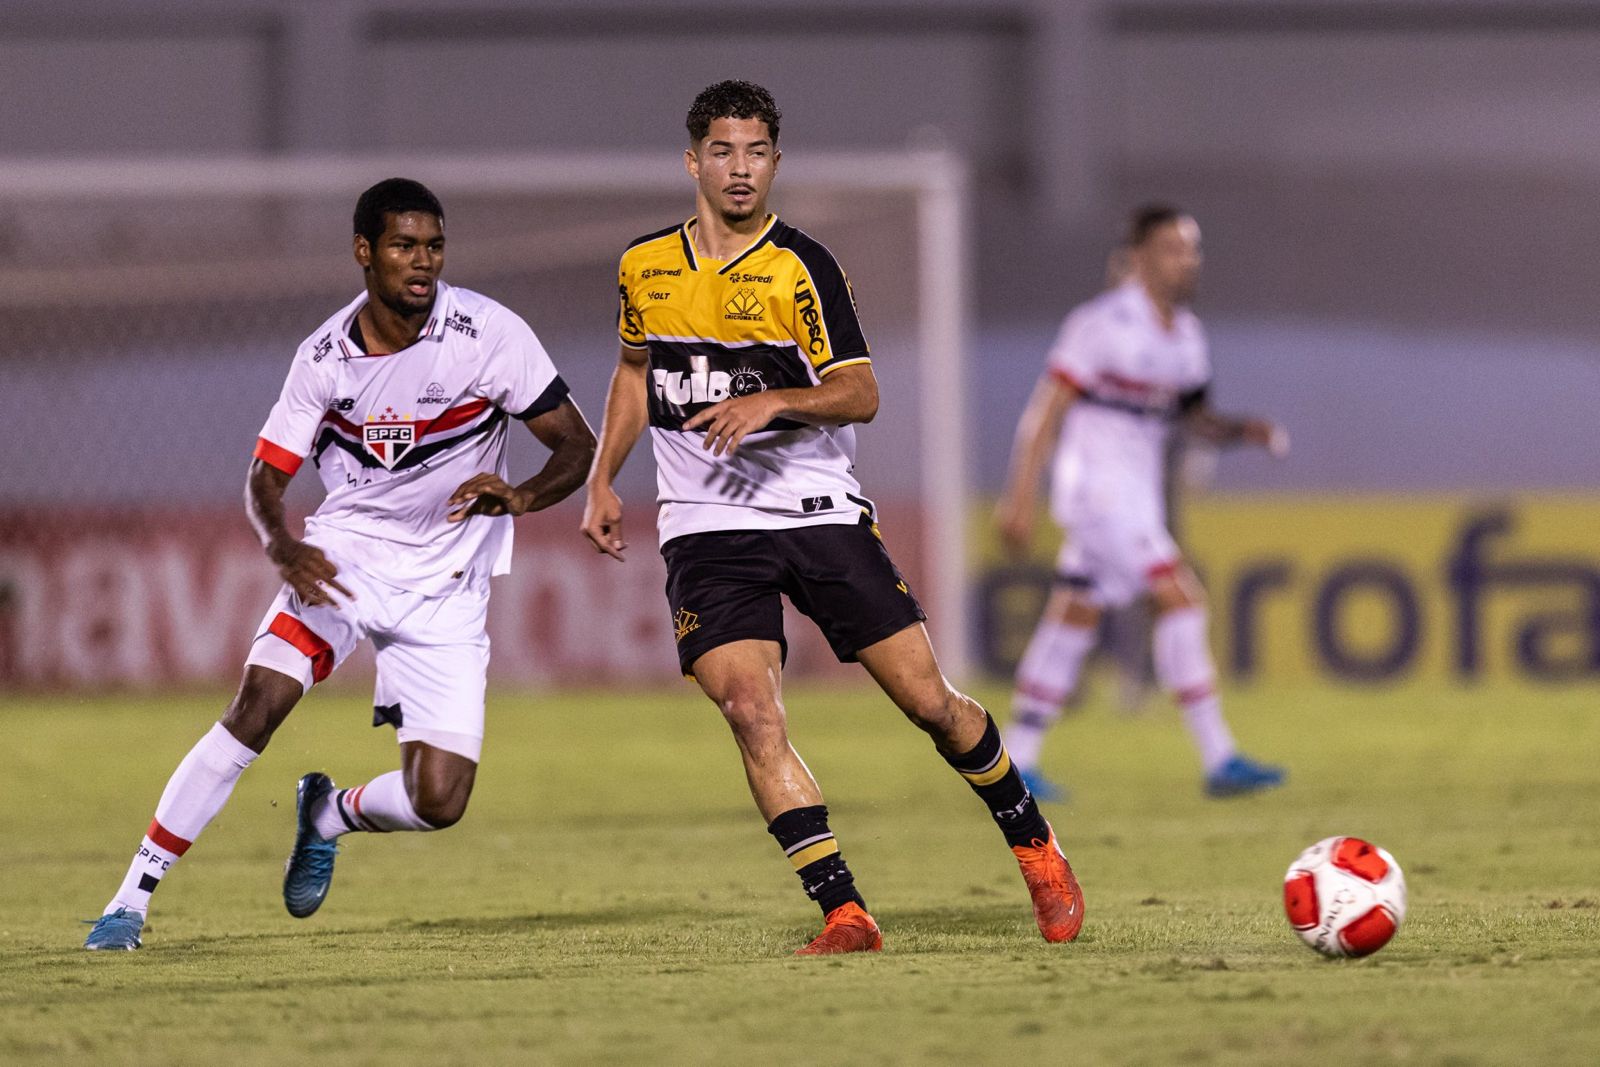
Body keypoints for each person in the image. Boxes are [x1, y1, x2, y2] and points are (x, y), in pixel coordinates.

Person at [582, 81, 1083, 955]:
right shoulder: (644, 265)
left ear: (776, 160)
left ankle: (1034, 842)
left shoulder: (800, 266)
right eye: (724, 152)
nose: (740, 170)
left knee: (929, 701)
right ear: (693, 160)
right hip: (704, 523)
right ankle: (844, 911)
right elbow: (634, 372)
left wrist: (772, 401)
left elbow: (862, 392)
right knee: (748, 707)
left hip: (814, 509)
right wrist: (601, 478)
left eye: (757, 152)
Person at [83, 179, 596, 950]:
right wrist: (284, 546)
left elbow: (577, 444)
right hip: (346, 560)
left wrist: (520, 496)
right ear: (365, 253)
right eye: (402, 246)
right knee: (257, 703)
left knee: (440, 800)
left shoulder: (489, 333)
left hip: (447, 584)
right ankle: (130, 899)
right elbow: (266, 477)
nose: (421, 263)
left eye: (433, 247)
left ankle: (329, 811)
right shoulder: (324, 358)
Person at [996, 205, 1288, 801]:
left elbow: (1195, 420)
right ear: (1142, 256)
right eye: (1175, 248)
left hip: (1136, 496)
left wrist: (1244, 432)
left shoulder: (1186, 336)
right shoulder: (1100, 324)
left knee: (1073, 615)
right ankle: (1219, 757)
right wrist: (1019, 496)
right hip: (1096, 490)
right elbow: (1045, 412)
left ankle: (1015, 763)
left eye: (1193, 248)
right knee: (1183, 598)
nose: (1188, 260)